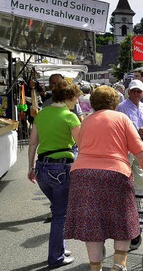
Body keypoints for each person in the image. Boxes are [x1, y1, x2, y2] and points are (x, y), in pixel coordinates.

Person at [64, 86, 143, 271]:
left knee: (93, 224)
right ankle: (118, 265)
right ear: (114, 102)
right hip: (115, 173)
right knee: (123, 219)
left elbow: (82, 145)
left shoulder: (86, 121)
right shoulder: (121, 118)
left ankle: (95, 267)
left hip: (83, 174)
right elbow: (140, 150)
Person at [27, 80, 82, 269]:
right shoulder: (70, 116)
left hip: (41, 168)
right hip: (61, 169)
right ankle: (56, 257)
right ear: (67, 97)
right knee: (60, 213)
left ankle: (59, 247)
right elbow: (82, 144)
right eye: (75, 97)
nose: (77, 101)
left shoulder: (41, 115)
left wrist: (30, 167)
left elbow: (33, 143)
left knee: (58, 209)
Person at [117, 79, 143, 190]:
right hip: (126, 145)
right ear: (129, 92)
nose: (136, 94)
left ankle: (137, 201)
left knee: (139, 172)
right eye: (134, 91)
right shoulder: (121, 107)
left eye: (139, 91)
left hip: (140, 143)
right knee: (125, 172)